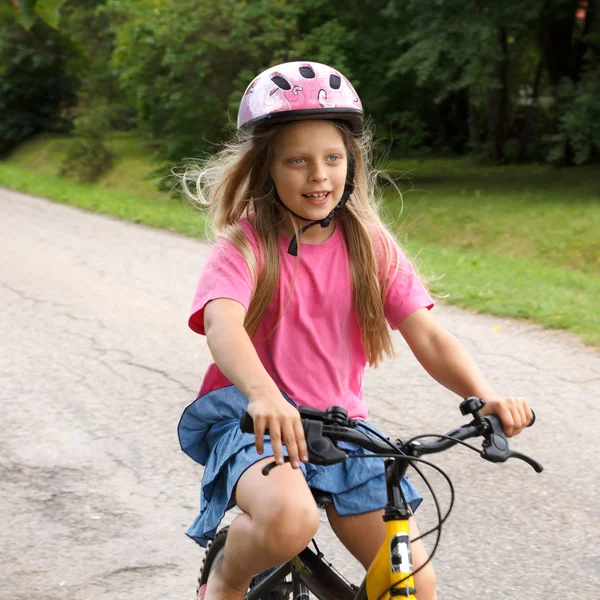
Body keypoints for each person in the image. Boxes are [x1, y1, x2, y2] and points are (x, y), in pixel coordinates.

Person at [177, 61, 532, 600]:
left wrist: (483, 397)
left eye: (332, 158)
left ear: (351, 164)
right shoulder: (247, 244)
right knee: (290, 520)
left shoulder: (368, 245)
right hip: (256, 423)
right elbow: (222, 322)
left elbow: (430, 336)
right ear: (266, 168)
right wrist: (265, 394)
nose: (318, 174)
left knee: (411, 582)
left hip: (342, 430)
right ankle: (229, 573)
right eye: (297, 160)